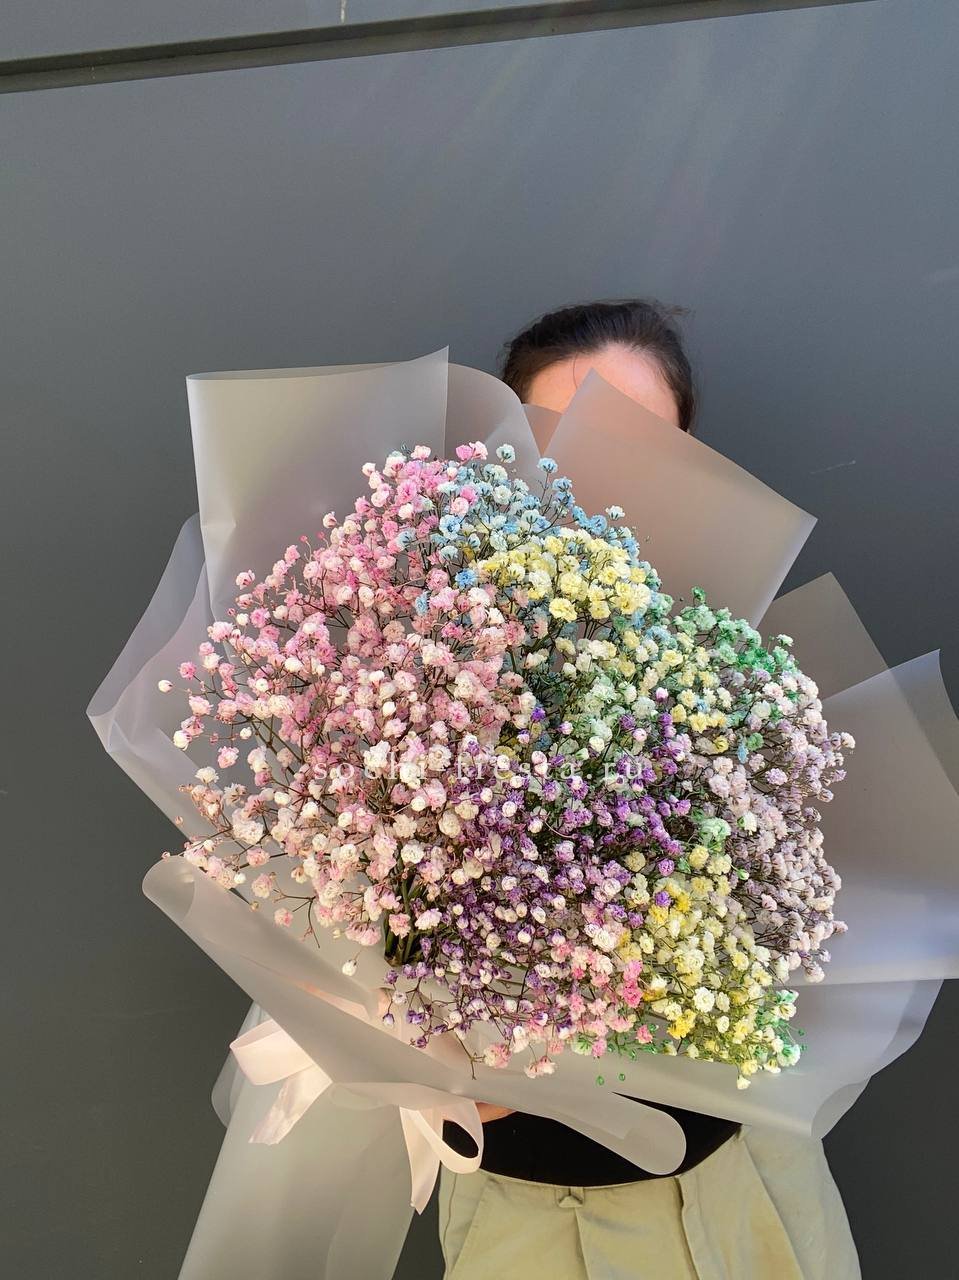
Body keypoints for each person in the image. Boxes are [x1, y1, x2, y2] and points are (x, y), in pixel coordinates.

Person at [438, 299, 862, 1280]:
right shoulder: (424, 661)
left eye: (638, 439)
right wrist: (443, 1065)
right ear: (512, 451)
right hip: (530, 1221)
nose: (601, 468)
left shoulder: (745, 667)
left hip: (747, 1188)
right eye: (564, 435)